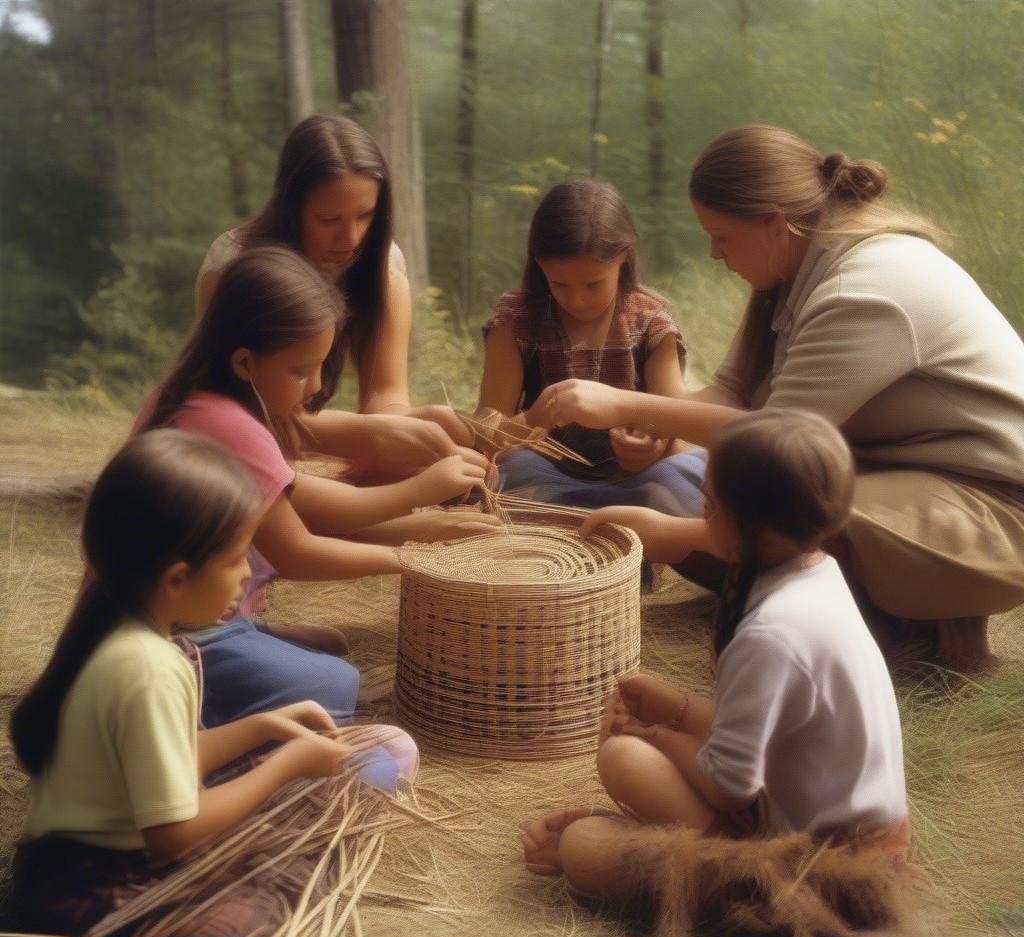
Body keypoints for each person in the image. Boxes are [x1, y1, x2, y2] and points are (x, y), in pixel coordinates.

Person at [533, 125, 1024, 668]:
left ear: (772, 222)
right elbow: (733, 392)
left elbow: (776, 438)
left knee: (751, 508)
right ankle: (854, 606)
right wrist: (661, 433)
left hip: (995, 507)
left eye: (721, 236)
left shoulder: (863, 290)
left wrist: (630, 414)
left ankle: (923, 633)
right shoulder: (796, 271)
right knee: (693, 495)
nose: (716, 253)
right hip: (904, 478)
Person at [522, 410, 914, 937]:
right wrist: (676, 707)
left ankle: (677, 861)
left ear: (731, 521)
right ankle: (664, 841)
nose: (701, 512)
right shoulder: (817, 573)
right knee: (620, 756)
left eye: (707, 503)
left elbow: (732, 786)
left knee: (583, 846)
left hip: (817, 869)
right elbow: (775, 738)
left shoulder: (771, 633)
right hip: (844, 830)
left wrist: (660, 733)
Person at [7, 430, 418, 937]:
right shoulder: (148, 667)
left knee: (384, 745)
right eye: (235, 559)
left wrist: (263, 727)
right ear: (177, 578)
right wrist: (287, 763)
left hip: (98, 852)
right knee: (260, 900)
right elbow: (173, 836)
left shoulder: (123, 635)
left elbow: (163, 764)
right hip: (95, 885)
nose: (248, 575)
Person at [139, 246, 492, 726]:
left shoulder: (208, 399)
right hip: (176, 633)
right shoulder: (225, 426)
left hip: (196, 608)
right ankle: (218, 667)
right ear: (245, 361)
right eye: (300, 369)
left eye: (323, 366)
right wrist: (419, 539)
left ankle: (250, 636)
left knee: (331, 651)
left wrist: (422, 525)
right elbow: (298, 551)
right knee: (336, 684)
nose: (314, 386)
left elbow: (324, 509)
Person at [195, 112, 467, 448]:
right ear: (290, 208)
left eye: (365, 215)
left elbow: (385, 394)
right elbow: (232, 414)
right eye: (328, 219)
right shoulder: (234, 265)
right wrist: (374, 434)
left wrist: (419, 424)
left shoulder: (381, 263)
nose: (351, 239)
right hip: (245, 442)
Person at [477, 179, 706, 517]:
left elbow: (680, 424)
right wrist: (535, 418)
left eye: (593, 283)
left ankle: (630, 547)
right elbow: (484, 437)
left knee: (687, 473)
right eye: (560, 283)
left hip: (637, 482)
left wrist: (653, 445)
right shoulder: (515, 322)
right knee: (505, 471)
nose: (577, 299)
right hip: (544, 478)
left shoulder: (651, 323)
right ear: (539, 265)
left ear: (624, 259)